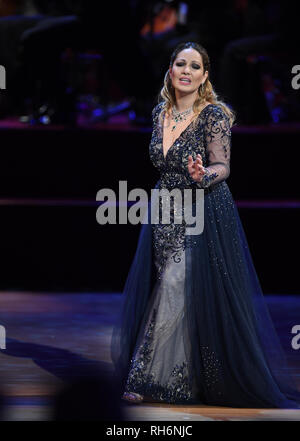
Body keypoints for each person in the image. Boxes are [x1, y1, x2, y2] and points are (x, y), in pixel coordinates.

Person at [111, 41, 300, 408]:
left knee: (175, 286)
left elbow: (223, 166)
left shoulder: (213, 114)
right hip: (164, 210)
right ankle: (187, 377)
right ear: (170, 71)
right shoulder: (159, 112)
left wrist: (203, 174)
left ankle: (151, 379)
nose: (186, 71)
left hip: (201, 208)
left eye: (194, 66)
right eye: (180, 64)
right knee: (171, 289)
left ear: (205, 75)